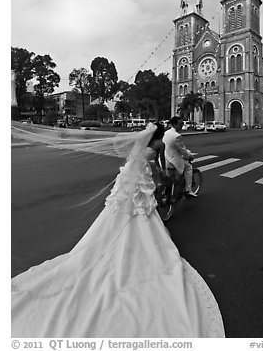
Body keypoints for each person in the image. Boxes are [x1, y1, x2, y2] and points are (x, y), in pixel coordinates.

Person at [11, 122, 225, 338]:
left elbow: (126, 153)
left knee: (123, 207)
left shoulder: (140, 141)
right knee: (143, 207)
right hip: (142, 175)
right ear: (158, 135)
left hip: (130, 173)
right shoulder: (159, 144)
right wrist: (161, 174)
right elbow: (159, 163)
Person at [163, 116, 197, 197]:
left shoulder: (166, 132)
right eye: (180, 124)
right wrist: (189, 156)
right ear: (174, 124)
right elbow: (183, 150)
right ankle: (188, 190)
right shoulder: (177, 136)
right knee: (188, 167)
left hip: (166, 158)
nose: (182, 125)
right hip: (174, 160)